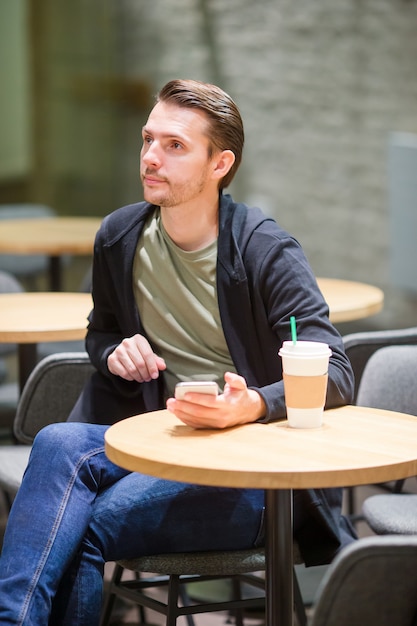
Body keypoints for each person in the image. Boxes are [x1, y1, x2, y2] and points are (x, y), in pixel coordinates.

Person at [0, 79, 356, 625]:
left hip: (248, 470)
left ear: (220, 164)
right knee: (57, 439)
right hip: (160, 442)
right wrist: (115, 351)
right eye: (147, 140)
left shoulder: (266, 250)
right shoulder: (120, 237)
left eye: (174, 146)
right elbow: (102, 331)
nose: (149, 157)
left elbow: (334, 370)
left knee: (76, 528)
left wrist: (253, 404)